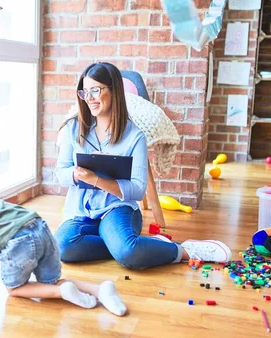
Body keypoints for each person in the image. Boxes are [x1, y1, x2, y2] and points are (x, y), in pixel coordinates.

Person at [54, 62, 231, 269]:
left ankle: (185, 249)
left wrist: (97, 180)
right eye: (85, 92)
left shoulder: (134, 136)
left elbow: (138, 190)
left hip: (117, 209)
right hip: (82, 211)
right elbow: (60, 173)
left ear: (114, 91)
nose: (90, 98)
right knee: (63, 247)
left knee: (128, 252)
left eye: (96, 90)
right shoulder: (72, 128)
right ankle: (133, 246)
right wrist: (75, 174)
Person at [0, 158, 127, 316]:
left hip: (19, 241)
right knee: (50, 281)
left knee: (15, 288)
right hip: (39, 226)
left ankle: (63, 292)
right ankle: (100, 290)